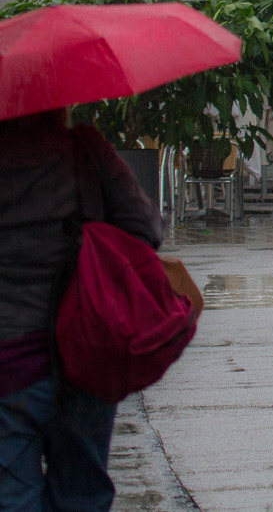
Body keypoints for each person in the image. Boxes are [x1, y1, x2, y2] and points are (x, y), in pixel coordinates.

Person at [0, 108, 163, 511]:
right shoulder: (86, 151)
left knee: (13, 499)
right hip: (87, 354)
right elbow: (146, 231)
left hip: (8, 369)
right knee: (82, 497)